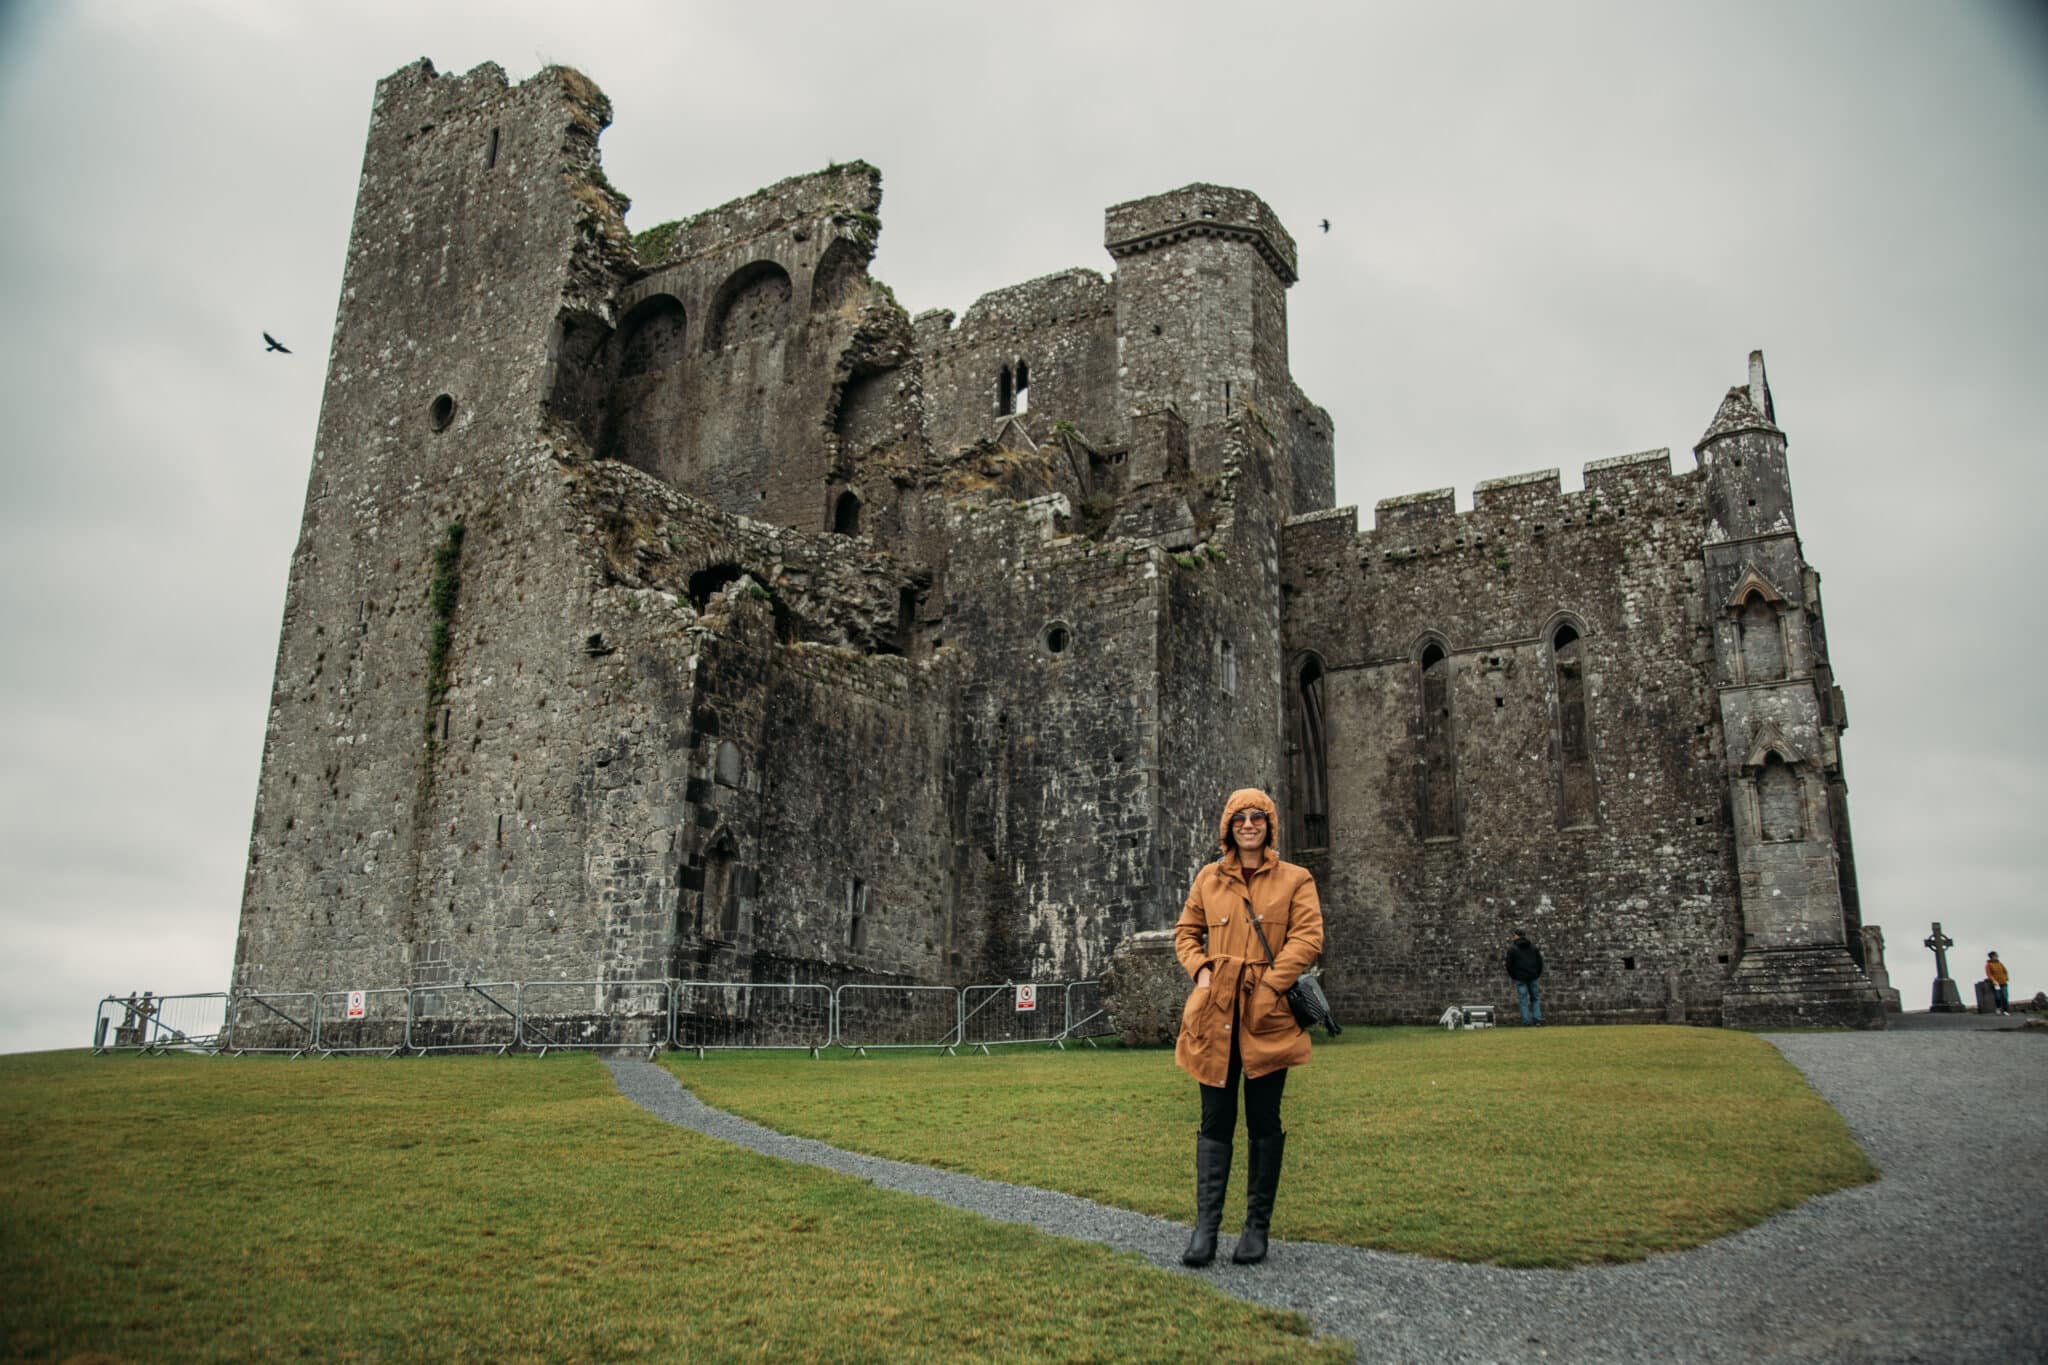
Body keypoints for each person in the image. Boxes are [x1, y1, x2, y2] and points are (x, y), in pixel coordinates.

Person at [1173, 787, 1325, 1267]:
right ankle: (1206, 1232)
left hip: (1268, 1017)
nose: (1249, 825)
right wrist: (1201, 972)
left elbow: (1308, 937)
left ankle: (1256, 1229)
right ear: (1228, 828)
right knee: (1215, 1121)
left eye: (1257, 818)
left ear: (1270, 825)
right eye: (1239, 819)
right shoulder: (1208, 880)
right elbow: (1185, 933)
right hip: (1214, 1016)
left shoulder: (1297, 879)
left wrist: (1269, 988)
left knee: (1264, 1120)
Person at [1507, 930, 1544, 1026]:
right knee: (1535, 998)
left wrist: (1514, 976)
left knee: (1523, 1000)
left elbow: (1509, 965)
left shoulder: (1513, 949)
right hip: (1533, 976)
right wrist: (1537, 973)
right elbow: (1540, 962)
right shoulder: (1533, 947)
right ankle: (1537, 1020)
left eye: (1514, 935)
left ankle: (1526, 1021)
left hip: (1520, 977)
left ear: (1517, 936)